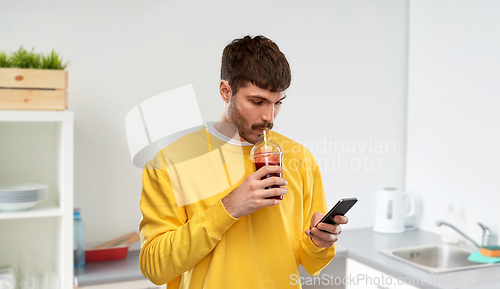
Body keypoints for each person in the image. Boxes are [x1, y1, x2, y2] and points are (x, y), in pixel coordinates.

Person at [139, 35, 348, 289]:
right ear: (225, 92)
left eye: (277, 103)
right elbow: (155, 268)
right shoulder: (168, 163)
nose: (269, 117)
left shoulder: (300, 159)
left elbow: (310, 262)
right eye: (257, 102)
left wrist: (320, 243)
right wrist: (228, 208)